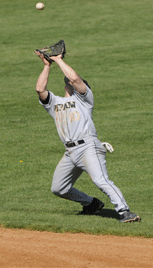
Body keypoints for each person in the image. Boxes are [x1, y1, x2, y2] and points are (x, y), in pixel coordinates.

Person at [35, 50, 140, 223]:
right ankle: (92, 203)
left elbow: (76, 79)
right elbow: (40, 89)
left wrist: (58, 60)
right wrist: (47, 66)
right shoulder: (55, 103)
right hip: (70, 152)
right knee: (58, 188)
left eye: (72, 82)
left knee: (101, 180)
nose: (69, 82)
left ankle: (124, 211)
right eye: (67, 82)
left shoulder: (84, 100)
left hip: (88, 147)